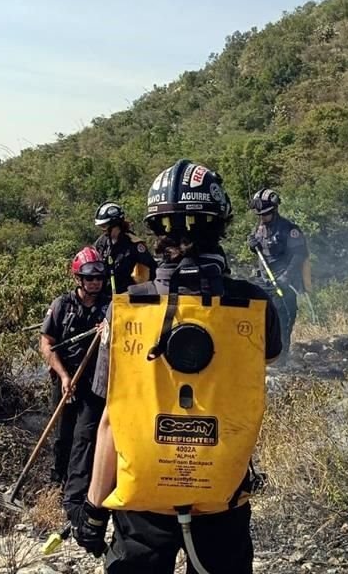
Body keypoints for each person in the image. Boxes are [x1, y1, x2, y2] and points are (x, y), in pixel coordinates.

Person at [74, 159, 283, 573]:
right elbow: (268, 357)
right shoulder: (256, 305)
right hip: (223, 496)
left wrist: (94, 509)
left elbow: (111, 420)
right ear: (219, 224)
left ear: (155, 229)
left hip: (142, 501)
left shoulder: (127, 310)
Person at [39, 246, 111, 524]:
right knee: (63, 435)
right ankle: (57, 484)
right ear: (78, 278)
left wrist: (111, 330)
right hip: (65, 379)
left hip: (96, 383)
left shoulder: (111, 307)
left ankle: (77, 496)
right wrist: (64, 376)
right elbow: (46, 344)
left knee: (86, 437)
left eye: (99, 277)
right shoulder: (62, 305)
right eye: (89, 277)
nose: (95, 282)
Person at [247, 187, 308, 355]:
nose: (261, 218)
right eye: (259, 215)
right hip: (264, 282)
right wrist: (253, 246)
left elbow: (300, 255)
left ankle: (281, 360)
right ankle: (262, 357)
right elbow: (261, 248)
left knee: (283, 322)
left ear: (274, 210)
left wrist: (286, 277)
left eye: (265, 214)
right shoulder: (260, 227)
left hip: (283, 284)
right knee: (261, 321)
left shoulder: (289, 230)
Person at [93, 201, 157, 294]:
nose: (102, 230)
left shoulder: (134, 244)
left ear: (115, 225)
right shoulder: (101, 242)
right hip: (104, 295)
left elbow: (152, 269)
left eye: (104, 226)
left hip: (126, 296)